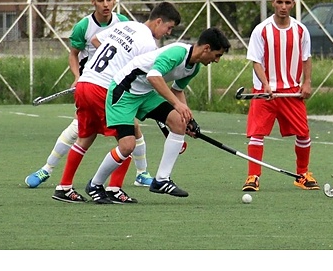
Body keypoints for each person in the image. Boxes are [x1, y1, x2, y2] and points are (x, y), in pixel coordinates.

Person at [51, 2, 181, 203]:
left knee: (86, 137)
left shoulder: (125, 25)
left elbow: (95, 40)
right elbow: (142, 76)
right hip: (103, 88)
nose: (168, 33)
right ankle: (113, 188)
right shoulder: (147, 43)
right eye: (168, 27)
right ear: (158, 21)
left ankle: (64, 187)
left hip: (85, 82)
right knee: (130, 136)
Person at [84, 27, 231, 203]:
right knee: (127, 146)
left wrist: (189, 120)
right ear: (206, 48)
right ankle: (95, 184)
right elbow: (154, 76)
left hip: (146, 93)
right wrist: (177, 105)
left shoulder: (194, 68)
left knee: (179, 122)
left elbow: (177, 90)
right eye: (217, 55)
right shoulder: (177, 53)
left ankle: (161, 180)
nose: (217, 60)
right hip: (124, 90)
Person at [25, 0, 138, 188]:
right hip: (94, 87)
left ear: (114, 0)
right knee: (79, 130)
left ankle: (142, 173)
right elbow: (73, 55)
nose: (105, 4)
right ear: (92, 2)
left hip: (115, 88)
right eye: (101, 0)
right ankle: (48, 170)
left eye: (109, 0)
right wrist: (77, 76)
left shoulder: (122, 22)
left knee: (132, 130)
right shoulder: (83, 26)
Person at [241, 0, 319, 192]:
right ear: (272, 3)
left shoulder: (301, 30)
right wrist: (266, 85)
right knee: (256, 134)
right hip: (264, 93)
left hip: (291, 92)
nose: (283, 6)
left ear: (293, 3)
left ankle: (302, 174)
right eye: (279, 2)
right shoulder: (261, 30)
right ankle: (253, 177)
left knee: (303, 134)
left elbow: (306, 58)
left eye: (287, 2)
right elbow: (256, 61)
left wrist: (307, 83)